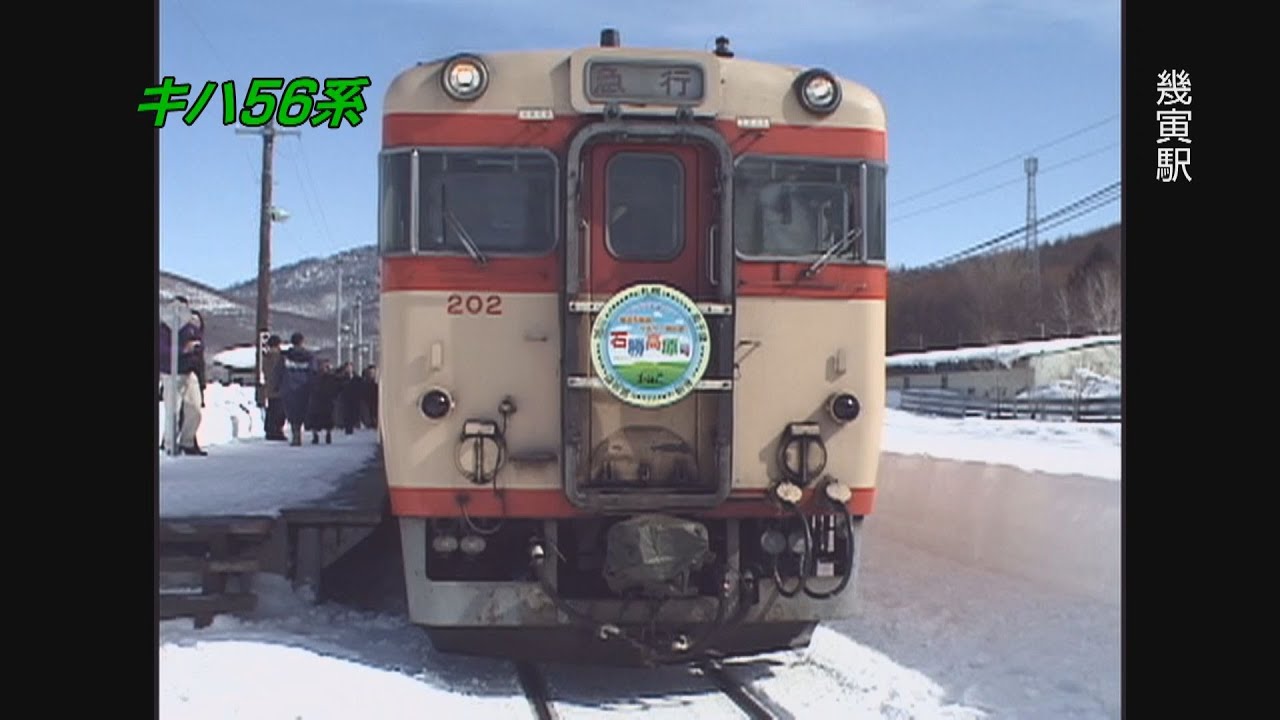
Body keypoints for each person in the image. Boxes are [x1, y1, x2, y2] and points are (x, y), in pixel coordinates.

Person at [279, 332, 317, 446]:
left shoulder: (285, 357)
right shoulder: (309, 356)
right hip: (304, 387)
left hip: (288, 387)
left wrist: (277, 386)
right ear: (302, 342)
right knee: (302, 410)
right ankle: (299, 431)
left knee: (291, 412)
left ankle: (295, 433)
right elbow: (313, 372)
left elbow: (278, 372)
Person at [306, 359, 342, 444]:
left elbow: (337, 387)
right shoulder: (316, 377)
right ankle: (316, 436)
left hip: (326, 401)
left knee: (327, 419)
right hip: (318, 401)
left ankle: (327, 435)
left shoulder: (331, 377)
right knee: (315, 420)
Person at [262, 335, 287, 441]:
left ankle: (270, 431)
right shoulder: (278, 357)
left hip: (270, 388)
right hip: (279, 388)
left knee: (271, 410)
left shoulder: (266, 357)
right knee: (279, 411)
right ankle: (277, 431)